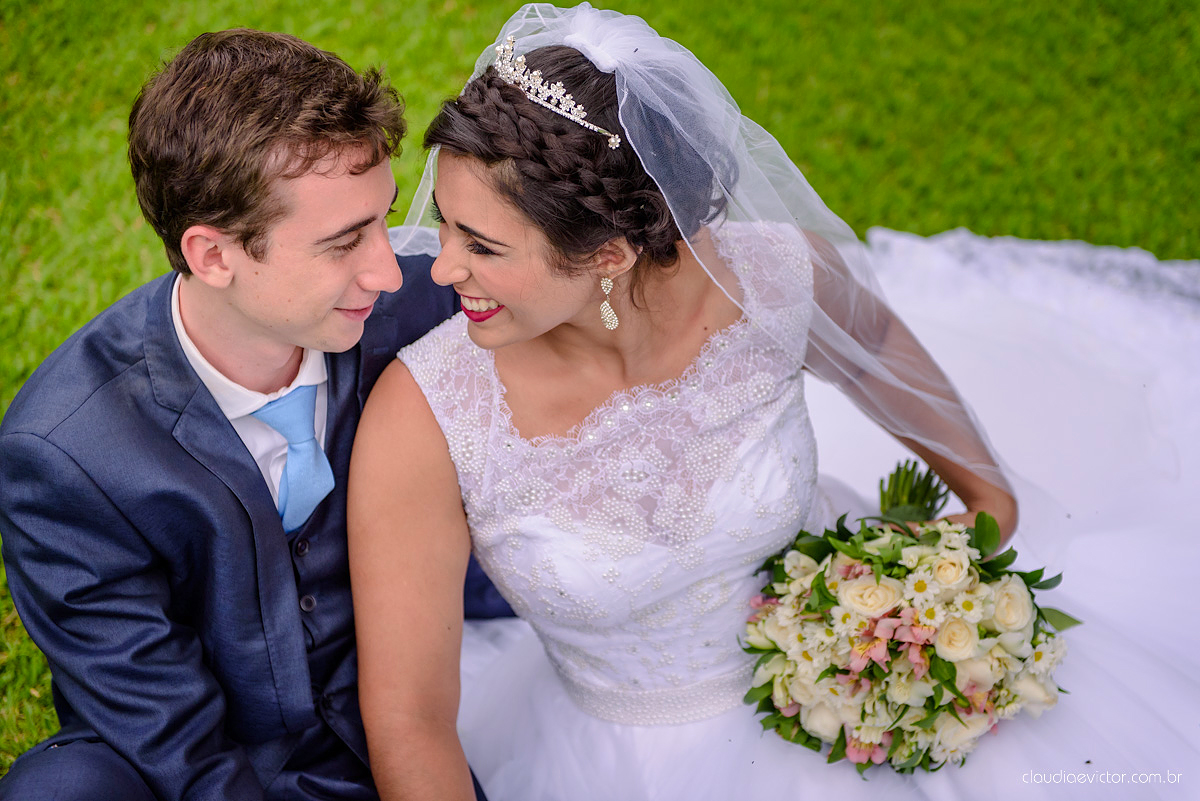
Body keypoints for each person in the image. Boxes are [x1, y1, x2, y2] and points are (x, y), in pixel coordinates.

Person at [350, 4, 1200, 800]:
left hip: (859, 699)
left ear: (609, 256)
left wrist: (952, 569)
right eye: (448, 224)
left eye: (483, 245)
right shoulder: (426, 414)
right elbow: (410, 719)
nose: (440, 266)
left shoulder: (773, 277)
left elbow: (882, 372)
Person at [0, 28, 507, 801]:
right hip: (190, 757)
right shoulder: (63, 453)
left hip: (404, 712)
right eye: (343, 242)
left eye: (383, 219)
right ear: (213, 255)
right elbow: (170, 735)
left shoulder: (421, 307)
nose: (386, 264)